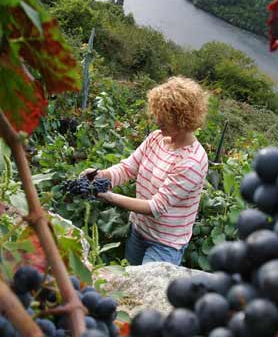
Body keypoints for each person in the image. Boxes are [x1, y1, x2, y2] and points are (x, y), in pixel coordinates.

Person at [84, 76, 209, 266]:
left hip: (165, 245)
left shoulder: (192, 162)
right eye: (158, 112)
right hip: (139, 231)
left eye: (165, 116)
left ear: (183, 119)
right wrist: (102, 175)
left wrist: (109, 196)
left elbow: (156, 207)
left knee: (142, 294)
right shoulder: (156, 138)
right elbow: (127, 168)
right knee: (128, 288)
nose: (158, 120)